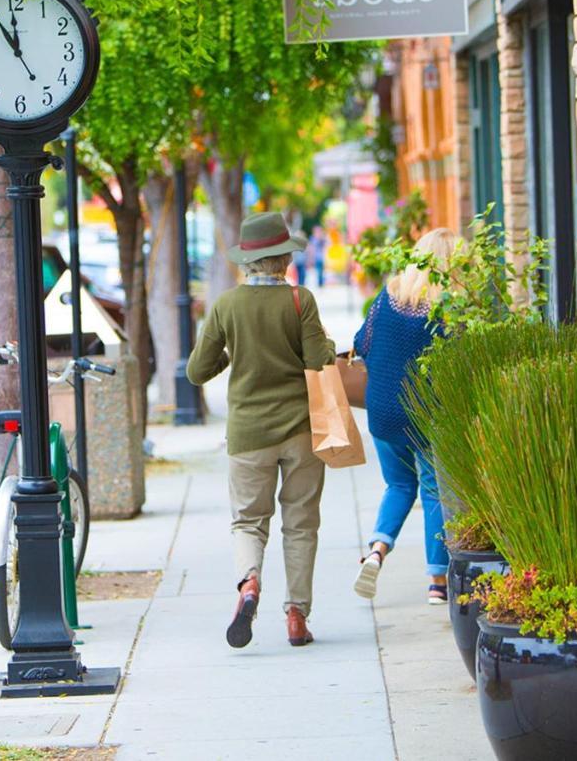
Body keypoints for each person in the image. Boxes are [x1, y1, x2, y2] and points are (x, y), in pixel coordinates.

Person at [187, 211, 335, 649]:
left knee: (249, 522)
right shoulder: (299, 300)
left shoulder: (227, 305)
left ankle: (249, 583)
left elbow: (197, 371)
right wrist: (324, 343)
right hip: (301, 430)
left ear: (247, 261)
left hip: (249, 434)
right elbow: (318, 361)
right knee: (301, 523)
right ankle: (296, 616)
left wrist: (232, 356)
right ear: (284, 259)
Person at [352, 227, 456, 605]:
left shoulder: (390, 295)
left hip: (381, 410)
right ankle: (436, 582)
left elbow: (360, 342)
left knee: (398, 486)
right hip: (423, 414)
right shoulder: (445, 309)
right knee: (432, 490)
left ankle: (377, 550)